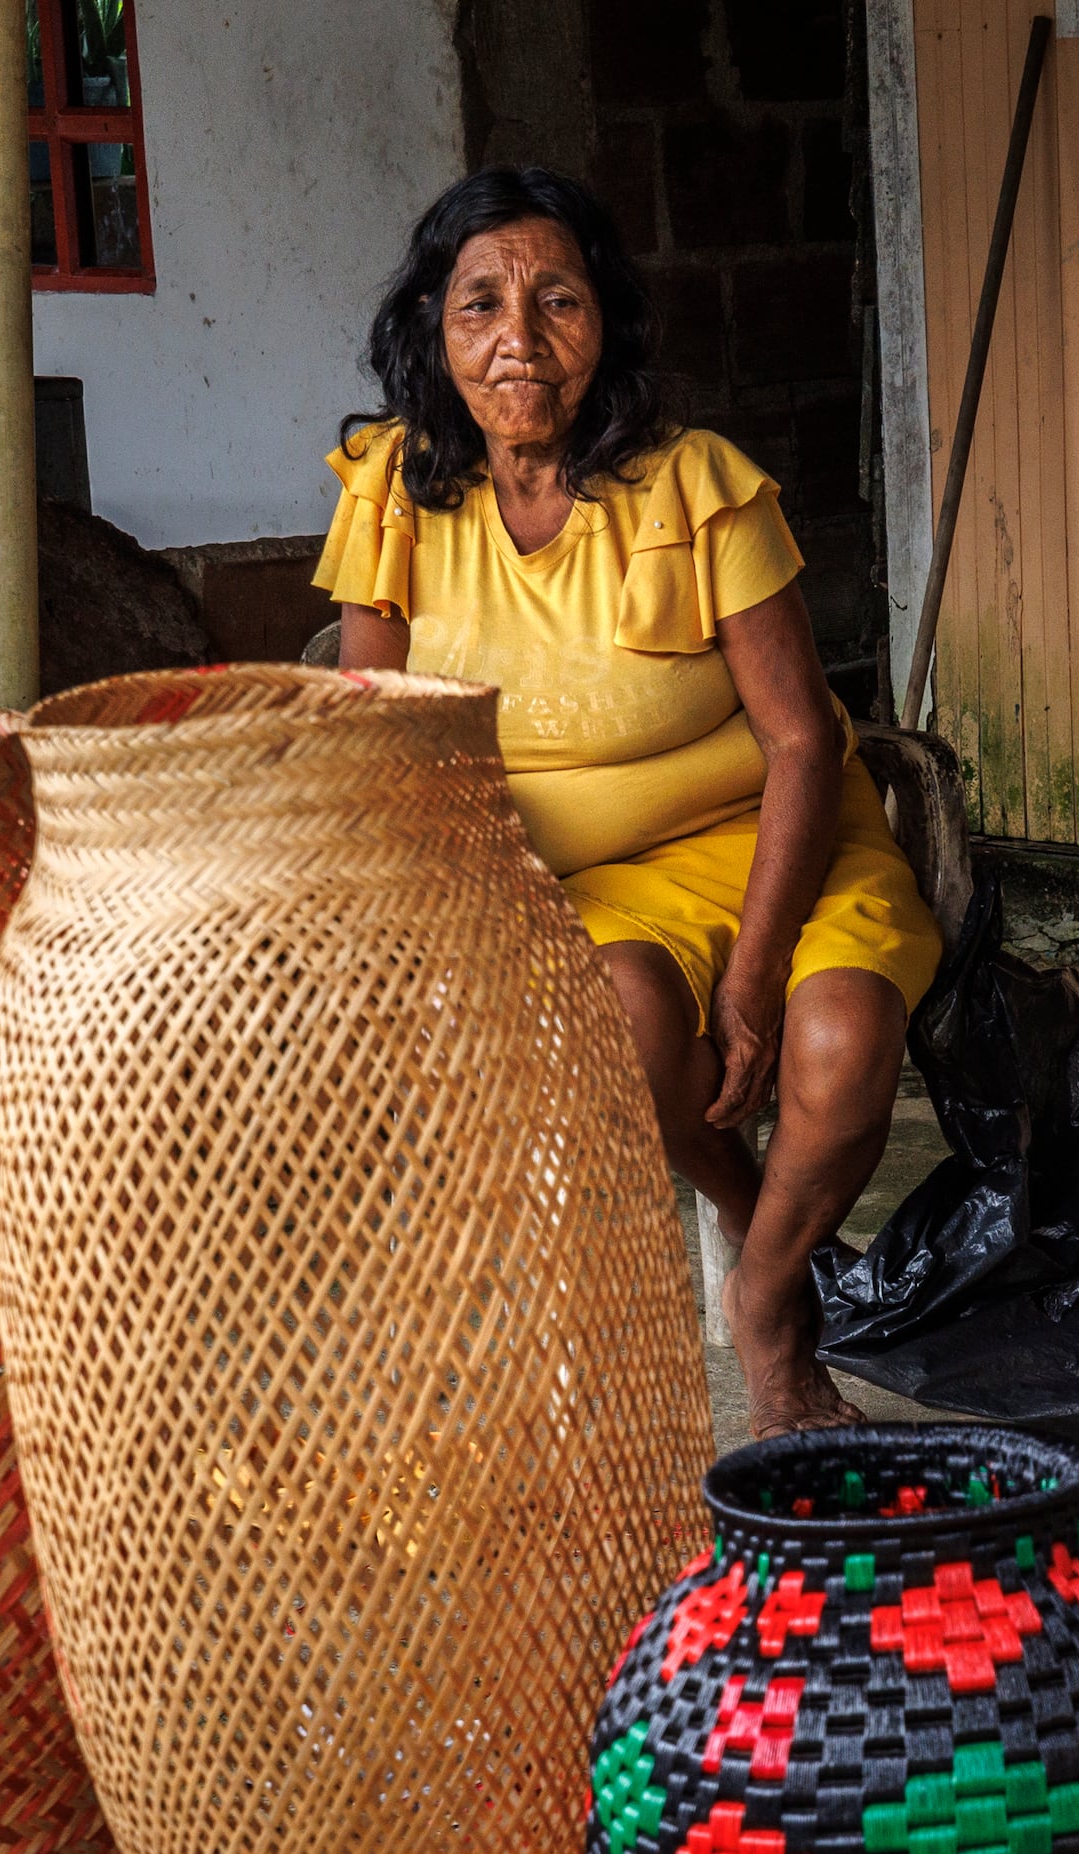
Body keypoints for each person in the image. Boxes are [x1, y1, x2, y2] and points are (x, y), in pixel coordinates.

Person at [321, 166, 940, 1437]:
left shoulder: (694, 487)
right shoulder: (393, 490)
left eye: (556, 300)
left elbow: (801, 744)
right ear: (431, 331)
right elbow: (372, 749)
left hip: (777, 840)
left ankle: (768, 1307)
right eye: (479, 303)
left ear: (606, 324)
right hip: (584, 884)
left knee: (834, 1051)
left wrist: (757, 972)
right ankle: (743, 1193)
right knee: (629, 1027)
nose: (518, 341)